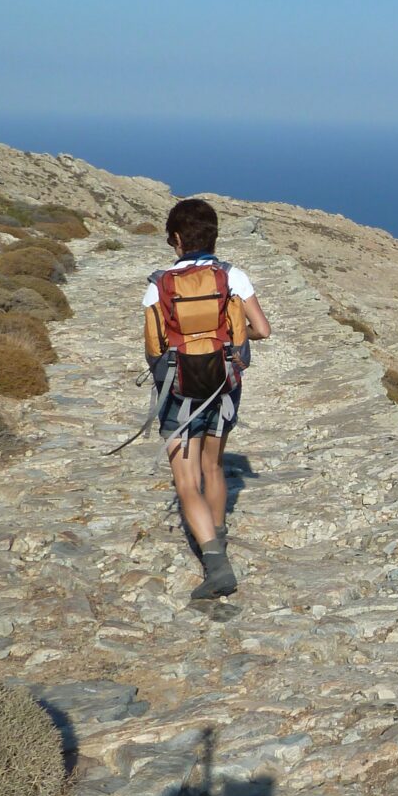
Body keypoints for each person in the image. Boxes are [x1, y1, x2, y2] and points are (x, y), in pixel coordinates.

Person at [143, 199, 272, 599]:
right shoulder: (232, 276)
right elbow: (262, 329)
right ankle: (218, 537)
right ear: (214, 236)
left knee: (187, 481)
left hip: (178, 390)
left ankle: (216, 565)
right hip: (223, 385)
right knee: (213, 467)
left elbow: (153, 346)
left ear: (176, 239)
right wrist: (231, 337)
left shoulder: (159, 284)